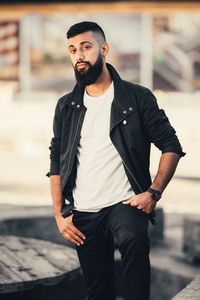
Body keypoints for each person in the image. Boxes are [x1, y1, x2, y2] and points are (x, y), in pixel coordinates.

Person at [47, 21, 185, 300]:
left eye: (86, 47)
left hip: (126, 202)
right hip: (83, 210)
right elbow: (56, 157)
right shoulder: (67, 105)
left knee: (134, 243)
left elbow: (170, 145)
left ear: (104, 49)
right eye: (73, 50)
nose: (79, 55)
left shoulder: (137, 97)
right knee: (98, 291)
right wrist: (59, 213)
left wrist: (153, 193)